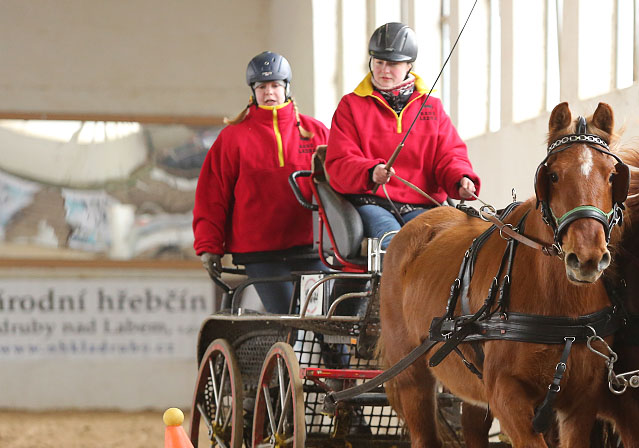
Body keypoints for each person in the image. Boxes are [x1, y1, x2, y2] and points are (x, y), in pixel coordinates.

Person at [193, 51, 330, 313]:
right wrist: (208, 247)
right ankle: (287, 354)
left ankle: (334, 356)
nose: (269, 93)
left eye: (276, 86)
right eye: (262, 87)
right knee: (287, 317)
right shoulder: (232, 138)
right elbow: (212, 196)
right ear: (252, 91)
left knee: (325, 319)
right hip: (261, 253)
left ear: (286, 88)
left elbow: (341, 184)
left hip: (311, 249)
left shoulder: (316, 133)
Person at [325, 22, 481, 248]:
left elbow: (449, 155)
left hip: (422, 206)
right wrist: (371, 171)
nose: (384, 70)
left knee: (451, 247)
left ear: (409, 65)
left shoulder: (432, 107)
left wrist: (460, 179)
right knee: (397, 244)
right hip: (372, 203)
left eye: (393, 64)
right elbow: (339, 161)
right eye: (379, 62)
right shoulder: (350, 106)